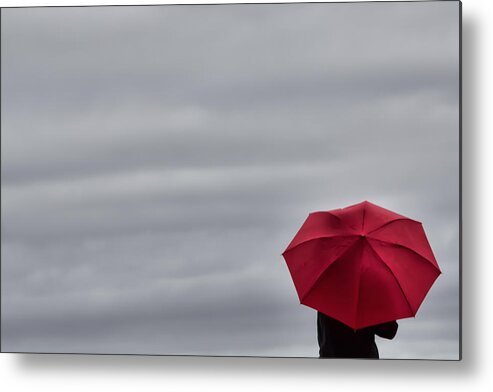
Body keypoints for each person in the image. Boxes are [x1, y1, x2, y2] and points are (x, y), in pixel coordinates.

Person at [317, 311, 398, 359]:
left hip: (329, 362)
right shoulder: (368, 294)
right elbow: (389, 330)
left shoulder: (325, 291)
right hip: (363, 365)